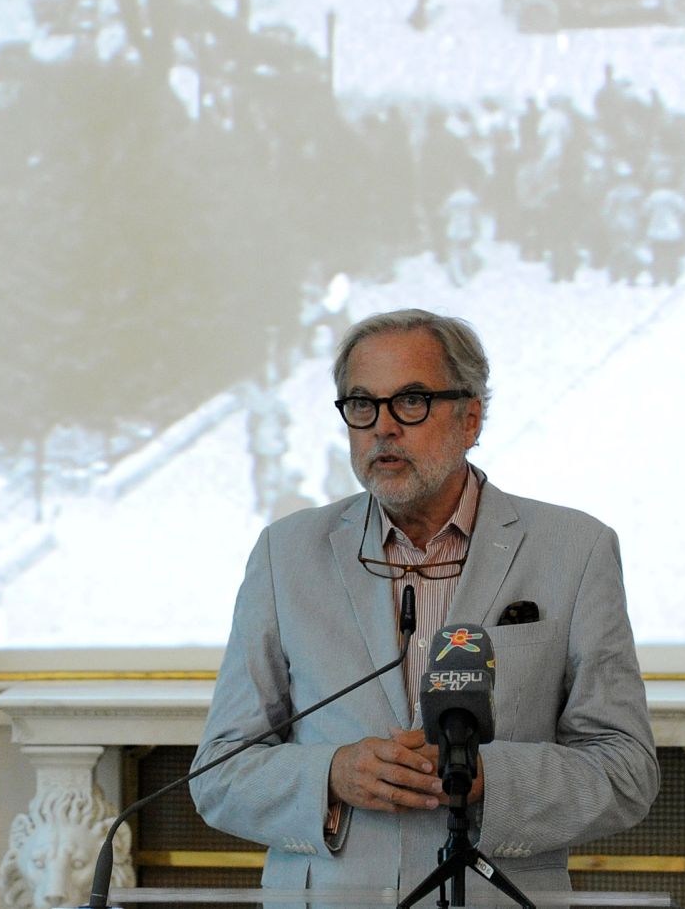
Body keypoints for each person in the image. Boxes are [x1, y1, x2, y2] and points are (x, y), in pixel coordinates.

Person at [192, 309, 658, 900]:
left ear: (471, 418)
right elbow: (219, 775)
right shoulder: (286, 554)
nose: (382, 427)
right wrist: (332, 775)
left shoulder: (576, 549)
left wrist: (490, 777)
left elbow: (626, 770)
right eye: (362, 404)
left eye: (411, 401)